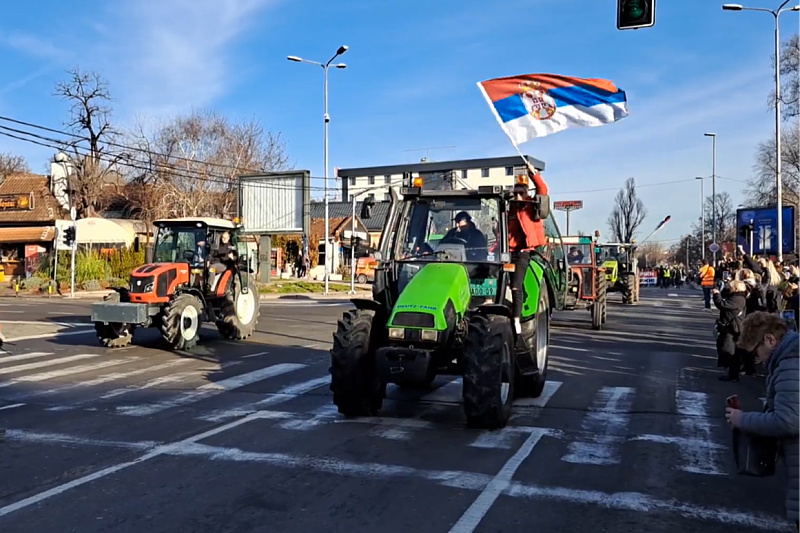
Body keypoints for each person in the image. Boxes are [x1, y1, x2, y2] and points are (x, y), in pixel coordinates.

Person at [726, 311, 799, 528]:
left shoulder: (791, 363)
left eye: (757, 351)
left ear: (770, 339)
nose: (758, 358)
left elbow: (789, 420)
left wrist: (742, 419)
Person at [508, 169, 548, 334]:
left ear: (526, 193)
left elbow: (543, 190)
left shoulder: (530, 207)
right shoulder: (509, 210)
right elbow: (504, 233)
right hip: (508, 251)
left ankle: (516, 319)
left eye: (520, 193)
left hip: (523, 251)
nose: (517, 196)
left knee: (516, 285)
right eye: (515, 193)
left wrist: (534, 174)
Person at [713, 279, 747, 381]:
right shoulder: (734, 296)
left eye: (730, 287)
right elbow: (725, 295)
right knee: (725, 348)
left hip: (733, 328)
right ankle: (730, 372)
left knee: (729, 350)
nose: (729, 288)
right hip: (728, 326)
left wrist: (716, 295)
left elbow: (722, 305)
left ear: (736, 288)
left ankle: (733, 375)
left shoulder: (738, 298)